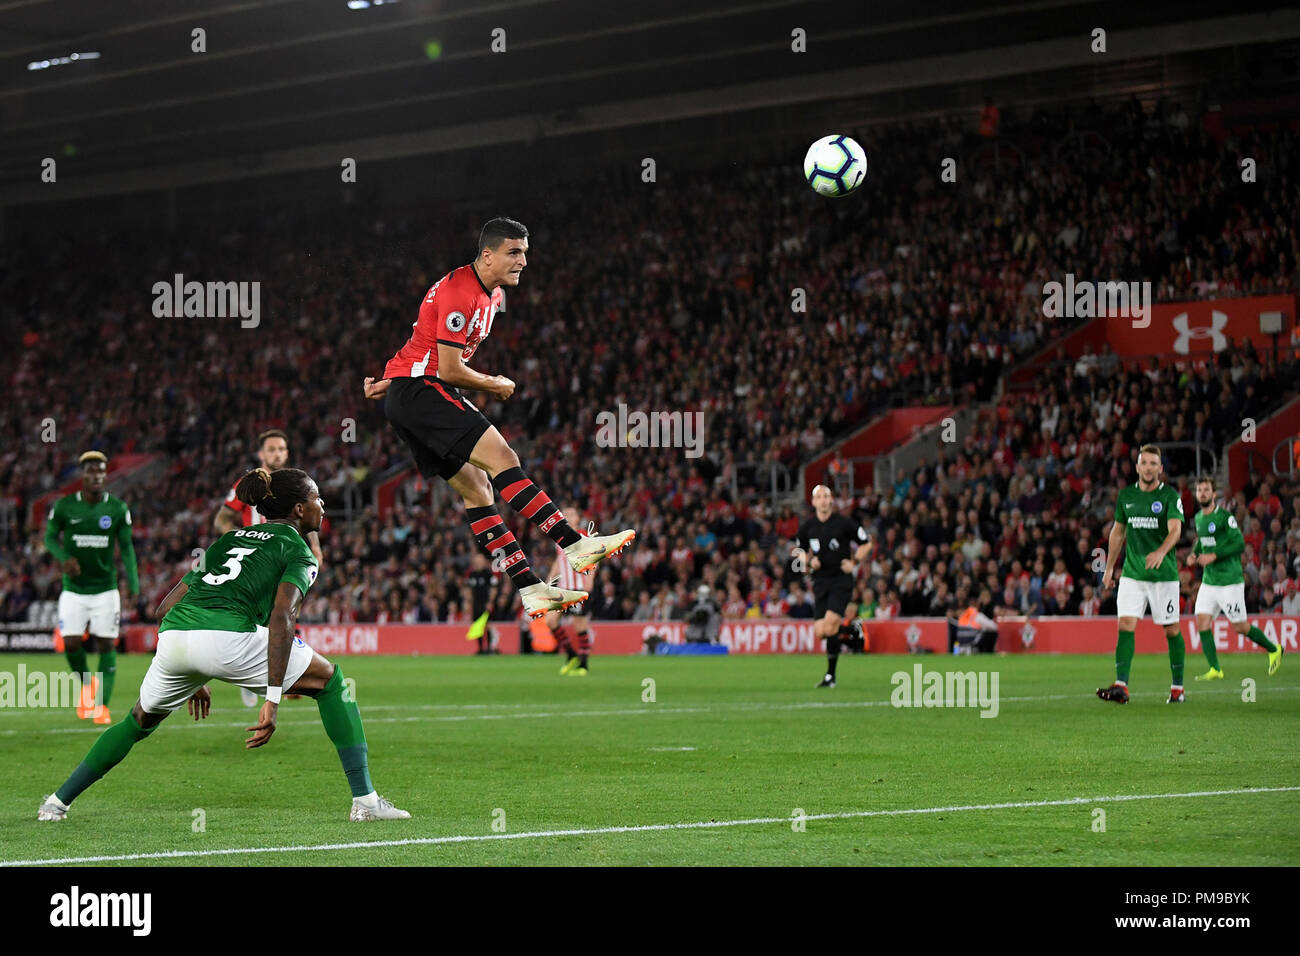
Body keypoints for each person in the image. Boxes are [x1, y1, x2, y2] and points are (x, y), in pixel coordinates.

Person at [38, 467, 409, 822]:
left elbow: (165, 606)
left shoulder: (227, 540)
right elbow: (282, 618)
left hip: (174, 638)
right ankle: (365, 801)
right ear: (299, 509)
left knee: (137, 720)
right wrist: (273, 699)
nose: (323, 505)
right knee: (331, 683)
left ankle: (56, 803)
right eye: (318, 498)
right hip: (229, 639)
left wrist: (194, 674)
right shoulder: (298, 551)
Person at [363, 218, 633, 619]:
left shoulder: (488, 295)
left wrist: (389, 381)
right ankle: (575, 545)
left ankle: (530, 588)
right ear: (487, 255)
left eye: (524, 252)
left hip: (409, 393)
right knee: (504, 458)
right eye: (514, 252)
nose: (523, 261)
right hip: (424, 393)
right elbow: (451, 369)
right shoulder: (462, 292)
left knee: (478, 490)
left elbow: (422, 342)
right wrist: (495, 384)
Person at [215, 428, 324, 707]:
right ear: (261, 454)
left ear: (287, 453)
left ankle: (282, 674)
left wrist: (315, 545)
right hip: (257, 559)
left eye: (281, 449)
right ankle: (255, 674)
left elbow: (304, 515)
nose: (276, 453)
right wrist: (240, 539)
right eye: (271, 449)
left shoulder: (292, 484)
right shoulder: (252, 484)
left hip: (286, 554)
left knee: (284, 610)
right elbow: (222, 518)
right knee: (260, 614)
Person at [43, 452, 138, 726]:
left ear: (105, 475)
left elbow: (127, 548)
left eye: (101, 472)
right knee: (71, 642)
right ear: (82, 475)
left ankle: (103, 707)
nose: (96, 476)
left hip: (106, 589)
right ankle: (87, 685)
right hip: (73, 589)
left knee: (106, 643)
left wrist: (133, 583)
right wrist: (63, 559)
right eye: (90, 472)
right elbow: (49, 537)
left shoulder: (118, 509)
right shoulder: (63, 507)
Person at [1097, 446, 1188, 704]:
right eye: (1144, 463)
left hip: (1164, 575)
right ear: (1137, 467)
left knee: (1171, 629)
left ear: (1160, 468)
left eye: (1153, 463)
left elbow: (1176, 530)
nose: (1148, 467)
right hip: (1133, 574)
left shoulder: (1170, 496)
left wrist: (1160, 552)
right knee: (1125, 624)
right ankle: (1121, 686)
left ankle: (1178, 688)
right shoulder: (1126, 496)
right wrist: (1109, 567)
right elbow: (1117, 532)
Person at [1187, 475, 1283, 680]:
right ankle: (1215, 668)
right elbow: (1201, 540)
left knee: (1240, 626)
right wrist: (1194, 553)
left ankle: (1274, 648)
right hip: (1209, 581)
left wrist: (1214, 555)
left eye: (1206, 490)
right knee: (1202, 621)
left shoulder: (1224, 517)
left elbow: (1239, 544)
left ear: (1214, 494)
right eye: (1199, 490)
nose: (1202, 493)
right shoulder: (1198, 518)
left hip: (1229, 581)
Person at [795, 484, 872, 688]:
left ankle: (831, 676)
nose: (823, 500)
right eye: (818, 496)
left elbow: (866, 542)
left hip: (840, 581)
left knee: (830, 625)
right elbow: (798, 551)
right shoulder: (807, 528)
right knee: (821, 631)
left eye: (826, 496)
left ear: (831, 500)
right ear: (813, 502)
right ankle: (852, 635)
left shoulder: (844, 523)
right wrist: (809, 562)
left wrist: (854, 562)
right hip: (820, 582)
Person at [548, 507, 594, 675]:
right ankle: (571, 654)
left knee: (579, 625)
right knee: (550, 621)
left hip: (578, 587)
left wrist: (590, 578)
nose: (566, 516)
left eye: (571, 514)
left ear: (577, 519)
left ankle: (583, 665)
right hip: (563, 587)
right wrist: (549, 581)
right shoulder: (558, 538)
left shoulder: (583, 536)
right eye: (564, 514)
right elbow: (558, 561)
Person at [465, 552, 500, 654]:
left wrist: (490, 602)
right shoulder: (472, 574)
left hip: (485, 603)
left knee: (487, 625)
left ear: (484, 562)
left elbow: (494, 588)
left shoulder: (488, 574)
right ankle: (480, 648)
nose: (478, 563)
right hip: (476, 604)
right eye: (476, 561)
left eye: (480, 561)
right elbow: (469, 589)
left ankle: (489, 648)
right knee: (478, 626)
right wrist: (469, 602)